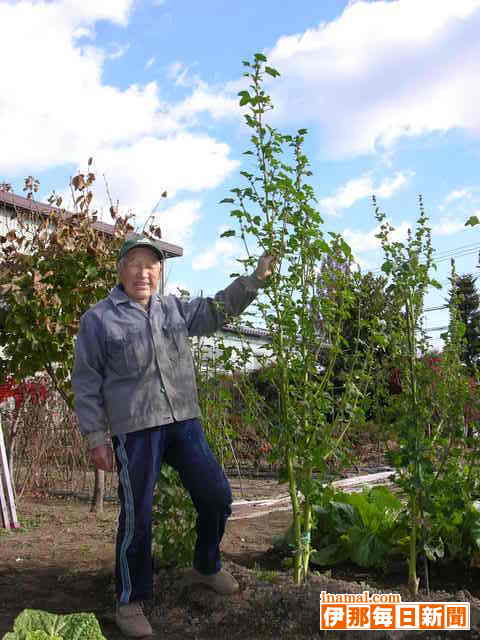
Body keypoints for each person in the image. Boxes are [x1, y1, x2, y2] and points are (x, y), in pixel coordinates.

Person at [71, 234, 277, 638]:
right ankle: (129, 601)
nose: (143, 272)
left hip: (183, 420)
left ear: (160, 272)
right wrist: (96, 435)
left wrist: (254, 280)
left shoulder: (175, 310)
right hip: (136, 429)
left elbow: (218, 311)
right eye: (135, 263)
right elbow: (87, 380)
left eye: (152, 265)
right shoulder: (99, 319)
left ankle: (206, 565)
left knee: (216, 495)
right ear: (120, 270)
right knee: (138, 517)